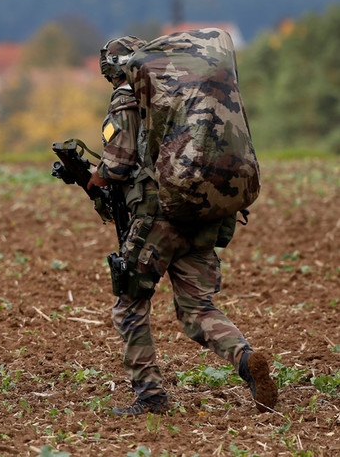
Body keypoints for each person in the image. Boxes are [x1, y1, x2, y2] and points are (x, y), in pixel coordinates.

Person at [88, 36, 278, 416]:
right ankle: (245, 358)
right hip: (202, 214)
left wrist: (95, 178)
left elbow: (118, 164)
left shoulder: (128, 98)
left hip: (158, 220)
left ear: (114, 68)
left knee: (130, 306)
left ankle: (150, 396)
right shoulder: (185, 96)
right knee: (197, 309)